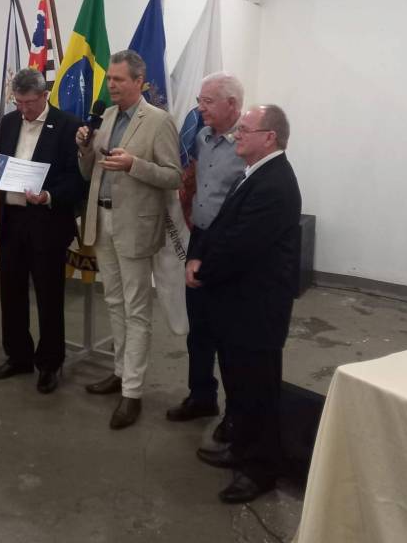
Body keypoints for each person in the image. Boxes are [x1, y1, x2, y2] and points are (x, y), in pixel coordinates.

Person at [190, 105, 301, 504]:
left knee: (258, 390)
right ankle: (241, 448)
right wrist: (199, 256)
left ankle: (261, 469)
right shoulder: (255, 173)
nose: (237, 135)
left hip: (257, 309)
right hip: (238, 304)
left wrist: (203, 270)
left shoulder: (274, 183)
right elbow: (224, 226)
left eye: (245, 129)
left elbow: (241, 245)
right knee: (240, 385)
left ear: (269, 137)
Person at [76, 50, 182, 429]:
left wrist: (133, 164)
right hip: (101, 220)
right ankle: (120, 372)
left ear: (139, 81)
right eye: (110, 79)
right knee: (114, 302)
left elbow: (173, 175)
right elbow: (88, 172)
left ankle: (132, 392)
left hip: (135, 226)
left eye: (119, 79)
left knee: (136, 309)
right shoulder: (105, 117)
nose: (112, 85)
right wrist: (84, 147)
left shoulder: (158, 121)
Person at [0, 68, 84, 394]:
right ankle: (18, 356)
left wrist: (49, 195)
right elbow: (7, 166)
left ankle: (50, 363)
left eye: (29, 102)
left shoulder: (67, 125)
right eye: (19, 102)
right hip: (12, 219)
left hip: (47, 222)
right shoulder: (9, 122)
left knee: (49, 295)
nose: (24, 109)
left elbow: (77, 180)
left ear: (44, 95)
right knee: (11, 292)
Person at [166, 73, 246, 444]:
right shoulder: (201, 137)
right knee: (198, 327)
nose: (200, 108)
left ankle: (236, 413)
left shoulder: (247, 146)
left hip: (228, 246)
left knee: (228, 332)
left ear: (232, 104)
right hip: (199, 237)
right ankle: (201, 396)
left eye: (208, 102)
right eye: (199, 100)